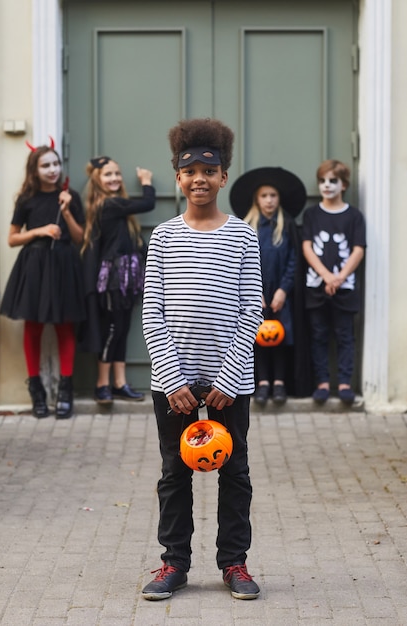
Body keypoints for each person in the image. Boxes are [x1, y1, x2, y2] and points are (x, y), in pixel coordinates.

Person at [142, 118, 262, 601]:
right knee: (175, 472)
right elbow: (153, 310)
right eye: (188, 171)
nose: (198, 179)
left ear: (223, 177)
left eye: (207, 172)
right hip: (176, 382)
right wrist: (171, 379)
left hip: (228, 380)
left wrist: (230, 376)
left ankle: (234, 562)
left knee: (235, 471)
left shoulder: (242, 236)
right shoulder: (164, 236)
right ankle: (174, 563)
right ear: (177, 177)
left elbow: (250, 306)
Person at [0, 139, 85, 419]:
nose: (52, 170)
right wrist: (40, 230)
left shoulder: (70, 195)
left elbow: (79, 237)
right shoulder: (27, 199)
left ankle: (65, 390)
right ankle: (36, 389)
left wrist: (67, 210)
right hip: (34, 267)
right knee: (33, 327)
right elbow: (12, 238)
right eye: (45, 165)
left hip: (63, 266)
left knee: (64, 327)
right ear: (34, 170)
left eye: (56, 164)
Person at [229, 167, 307, 406]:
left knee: (280, 336)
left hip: (282, 293)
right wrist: (256, 293)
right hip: (255, 294)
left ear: (279, 198)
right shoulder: (247, 227)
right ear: (257, 199)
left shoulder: (288, 225)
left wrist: (284, 289)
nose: (269, 200)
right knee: (257, 337)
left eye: (273, 195)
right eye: (264, 196)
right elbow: (240, 262)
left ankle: (280, 383)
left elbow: (294, 260)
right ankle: (262, 382)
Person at [80, 156, 155, 404]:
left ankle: (120, 383)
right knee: (112, 329)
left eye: (117, 174)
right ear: (97, 180)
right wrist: (146, 182)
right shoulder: (108, 205)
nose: (114, 178)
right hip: (113, 277)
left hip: (125, 276)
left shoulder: (119, 208)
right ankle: (103, 384)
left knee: (122, 329)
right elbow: (147, 203)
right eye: (108, 174)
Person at [302, 159, 366, 405]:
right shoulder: (312, 215)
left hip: (345, 288)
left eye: (333, 181)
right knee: (318, 334)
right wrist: (326, 276)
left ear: (344, 185)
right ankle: (323, 383)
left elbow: (358, 249)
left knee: (345, 335)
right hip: (316, 287)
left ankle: (345, 383)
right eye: (322, 181)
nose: (327, 186)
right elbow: (307, 247)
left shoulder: (353, 216)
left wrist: (339, 278)